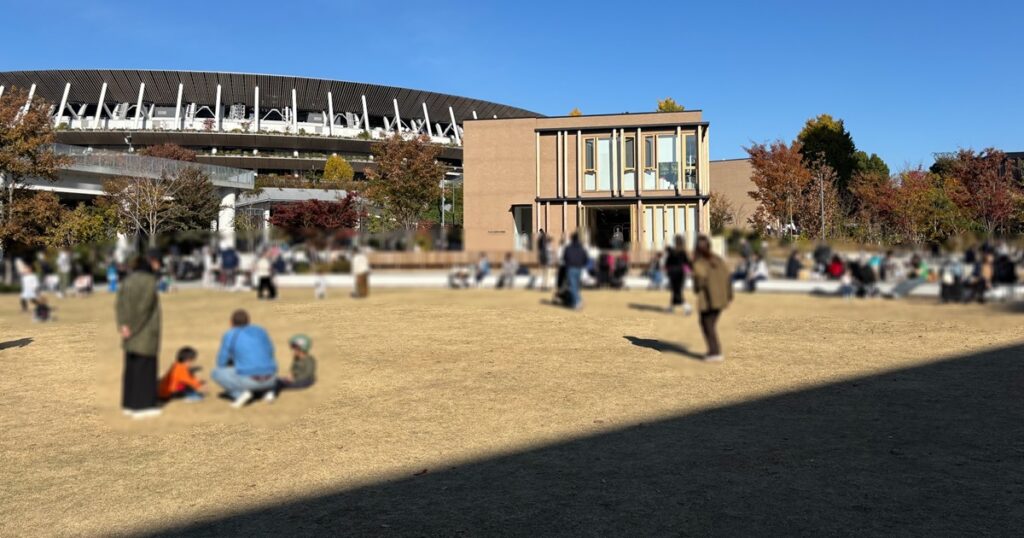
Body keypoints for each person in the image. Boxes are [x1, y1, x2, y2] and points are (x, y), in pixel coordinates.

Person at [115, 253, 163, 418]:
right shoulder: (149, 281)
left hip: (129, 333)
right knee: (146, 369)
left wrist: (123, 326)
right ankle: (143, 406)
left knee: (131, 369)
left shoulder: (127, 281)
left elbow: (119, 305)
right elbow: (145, 307)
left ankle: (129, 404)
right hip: (144, 333)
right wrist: (133, 328)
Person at [211, 309, 278, 408]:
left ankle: (239, 394)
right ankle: (268, 391)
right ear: (248, 321)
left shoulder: (231, 334)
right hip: (271, 378)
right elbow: (271, 351)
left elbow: (221, 361)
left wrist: (231, 362)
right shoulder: (261, 331)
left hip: (249, 379)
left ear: (231, 322)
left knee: (216, 373)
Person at [692, 235, 732, 362]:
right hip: (722, 298)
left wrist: (696, 287)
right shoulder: (718, 260)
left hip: (708, 300)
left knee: (706, 324)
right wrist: (729, 295)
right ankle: (713, 351)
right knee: (709, 324)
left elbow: (698, 283)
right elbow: (727, 278)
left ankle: (715, 352)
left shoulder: (700, 263)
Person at [664, 235, 692, 315]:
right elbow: (687, 262)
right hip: (681, 273)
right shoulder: (683, 252)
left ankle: (687, 307)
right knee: (676, 290)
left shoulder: (672, 252)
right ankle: (671, 308)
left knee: (676, 291)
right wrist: (689, 271)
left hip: (673, 273)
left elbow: (667, 262)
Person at [562, 232, 589, 309]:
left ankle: (577, 301)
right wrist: (582, 264)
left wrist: (568, 263)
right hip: (579, 268)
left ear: (572, 239)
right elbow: (586, 258)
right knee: (576, 286)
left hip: (570, 268)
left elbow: (564, 257)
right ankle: (575, 301)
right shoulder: (581, 248)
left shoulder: (568, 248)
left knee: (572, 286)